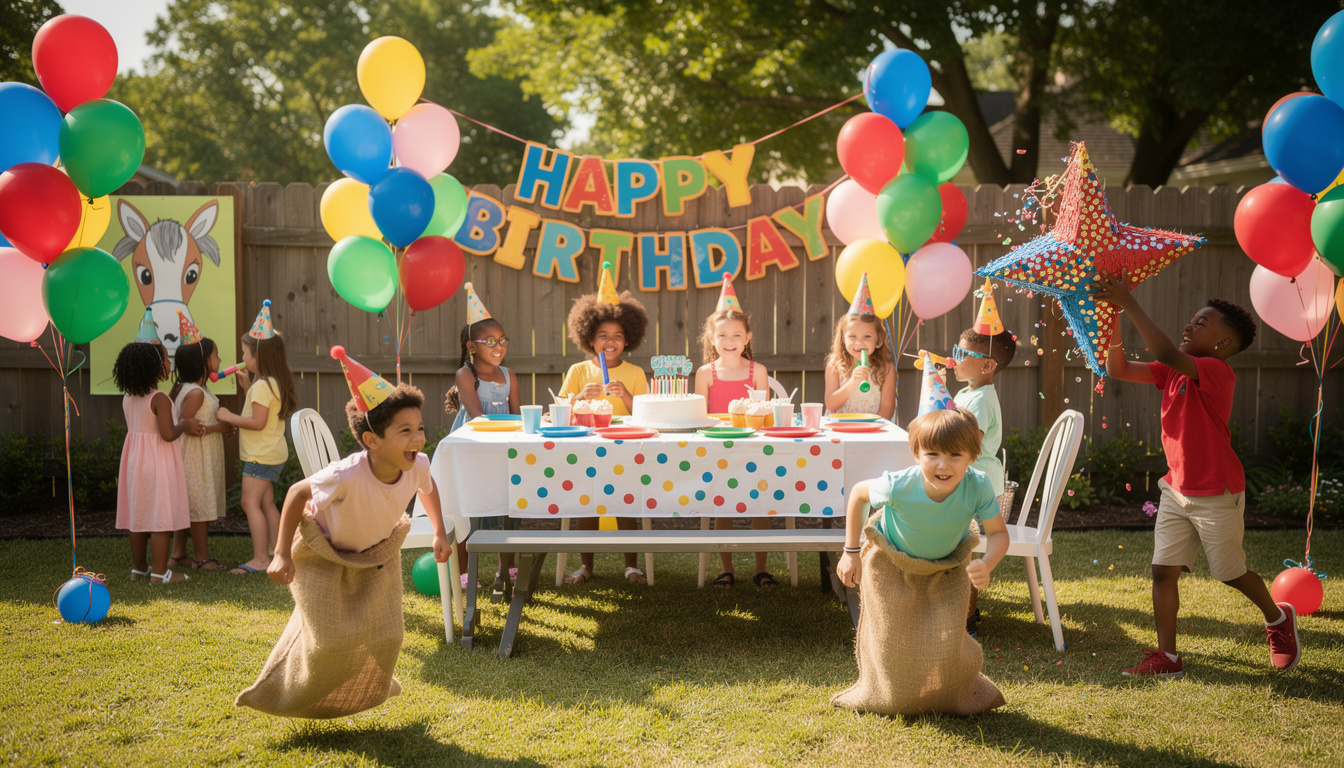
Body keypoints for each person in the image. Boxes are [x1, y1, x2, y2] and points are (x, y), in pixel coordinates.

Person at [1092, 269, 1300, 677]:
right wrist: (1113, 315)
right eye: (1192, 320)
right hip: (1176, 488)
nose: (1189, 325)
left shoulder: (1217, 372)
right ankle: (1168, 657)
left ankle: (1277, 618)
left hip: (1216, 492)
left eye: (1201, 323)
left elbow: (1167, 353)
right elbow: (1117, 368)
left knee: (1231, 574)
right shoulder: (1171, 371)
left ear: (1222, 344)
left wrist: (1128, 301)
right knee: (1163, 571)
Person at [237, 349, 450, 719]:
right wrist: (281, 553)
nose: (418, 438)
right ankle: (287, 695)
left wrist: (439, 533)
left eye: (419, 428)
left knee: (389, 636)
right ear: (372, 440)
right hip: (322, 552)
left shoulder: (418, 466)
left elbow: (428, 490)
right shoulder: (346, 475)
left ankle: (370, 688)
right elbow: (296, 493)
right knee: (328, 642)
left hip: (374, 554)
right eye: (405, 431)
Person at [833, 407, 1009, 714]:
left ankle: (945, 696)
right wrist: (851, 551)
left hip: (946, 567)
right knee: (892, 640)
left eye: (955, 455)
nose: (943, 464)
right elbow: (859, 494)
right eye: (932, 454)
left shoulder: (978, 486)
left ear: (972, 456)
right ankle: (888, 695)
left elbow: (998, 533)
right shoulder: (899, 485)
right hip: (891, 561)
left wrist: (987, 563)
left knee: (946, 639)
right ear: (916, 455)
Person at [558, 266, 650, 585]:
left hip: (625, 447)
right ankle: (586, 566)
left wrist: (626, 395)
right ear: (589, 338)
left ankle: (631, 566)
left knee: (625, 503)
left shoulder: (635, 373)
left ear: (628, 340)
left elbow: (645, 414)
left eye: (618, 336)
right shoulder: (578, 371)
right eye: (603, 336)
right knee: (589, 504)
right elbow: (560, 409)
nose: (611, 342)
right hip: (587, 447)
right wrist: (579, 397)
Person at [693, 277, 777, 588]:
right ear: (711, 338)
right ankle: (726, 569)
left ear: (747, 338)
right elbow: (700, 416)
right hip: (719, 451)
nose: (730, 341)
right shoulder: (705, 373)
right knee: (723, 506)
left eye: (737, 335)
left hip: (754, 449)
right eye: (723, 335)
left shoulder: (758, 371)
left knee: (760, 506)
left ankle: (761, 569)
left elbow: (762, 413)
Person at [950, 282, 1018, 634]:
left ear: (987, 364)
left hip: (977, 486)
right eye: (956, 351)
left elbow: (966, 446)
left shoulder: (979, 401)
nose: (955, 359)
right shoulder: (970, 392)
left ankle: (967, 617)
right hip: (970, 481)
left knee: (965, 546)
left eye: (962, 354)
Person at [113, 309, 199, 585]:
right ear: (153, 366)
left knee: (139, 518)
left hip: (135, 463)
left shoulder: (129, 397)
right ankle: (161, 574)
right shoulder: (159, 398)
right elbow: (168, 434)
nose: (169, 364)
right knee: (160, 517)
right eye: (165, 359)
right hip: (157, 464)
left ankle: (139, 568)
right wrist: (185, 423)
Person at [444, 284, 520, 589]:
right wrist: (509, 426)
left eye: (502, 340)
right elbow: (476, 417)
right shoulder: (466, 375)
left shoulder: (509, 375)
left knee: (508, 504)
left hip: (503, 449)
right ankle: (465, 571)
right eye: (490, 341)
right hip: (472, 449)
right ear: (472, 346)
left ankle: (507, 564)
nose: (498, 346)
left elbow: (516, 414)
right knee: (468, 507)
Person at [217, 300, 298, 576]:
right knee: (266, 503)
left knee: (249, 503)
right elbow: (263, 413)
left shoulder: (263, 386)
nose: (242, 357)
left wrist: (228, 416)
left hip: (259, 456)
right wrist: (246, 388)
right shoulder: (271, 382)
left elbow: (257, 422)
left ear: (258, 357)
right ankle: (276, 550)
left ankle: (261, 559)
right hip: (271, 454)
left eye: (245, 353)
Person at [168, 312, 235, 571]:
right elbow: (188, 426)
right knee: (199, 507)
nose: (219, 360)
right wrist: (220, 427)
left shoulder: (197, 388)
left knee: (190, 505)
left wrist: (219, 427)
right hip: (196, 459)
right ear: (203, 361)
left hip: (201, 455)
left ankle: (178, 554)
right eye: (215, 355)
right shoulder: (195, 392)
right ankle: (201, 557)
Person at [824, 274, 896, 420]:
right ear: (843, 339)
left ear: (878, 339)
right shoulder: (835, 365)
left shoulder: (886, 369)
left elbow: (887, 409)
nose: (859, 343)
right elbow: (831, 404)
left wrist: (868, 426)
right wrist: (853, 382)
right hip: (840, 428)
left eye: (867, 336)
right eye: (852, 337)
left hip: (871, 428)